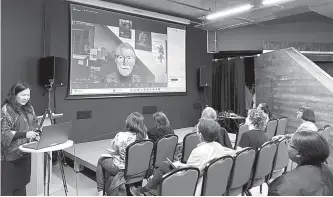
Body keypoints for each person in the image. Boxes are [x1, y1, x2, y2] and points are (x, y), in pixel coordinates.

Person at [130, 119, 235, 196]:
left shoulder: (198, 151)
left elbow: (189, 173)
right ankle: (147, 191)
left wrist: (179, 166)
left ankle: (146, 191)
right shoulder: (220, 147)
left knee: (165, 168)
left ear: (200, 136)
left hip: (194, 186)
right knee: (166, 166)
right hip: (212, 185)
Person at [1, 82, 40, 196]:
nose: (26, 98)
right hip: (11, 156)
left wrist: (37, 134)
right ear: (15, 94)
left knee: (21, 185)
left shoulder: (29, 108)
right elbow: (3, 133)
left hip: (26, 152)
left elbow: (35, 125)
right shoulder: (7, 110)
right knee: (8, 188)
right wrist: (25, 134)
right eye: (23, 95)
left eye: (28, 95)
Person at [96, 112, 147, 195]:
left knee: (101, 161)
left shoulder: (121, 135)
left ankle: (100, 192)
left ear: (128, 122)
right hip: (138, 168)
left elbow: (113, 147)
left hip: (122, 168)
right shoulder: (145, 137)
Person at [268, 131, 333, 195]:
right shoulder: (330, 169)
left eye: (289, 143)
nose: (286, 144)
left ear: (298, 153)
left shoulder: (281, 187)